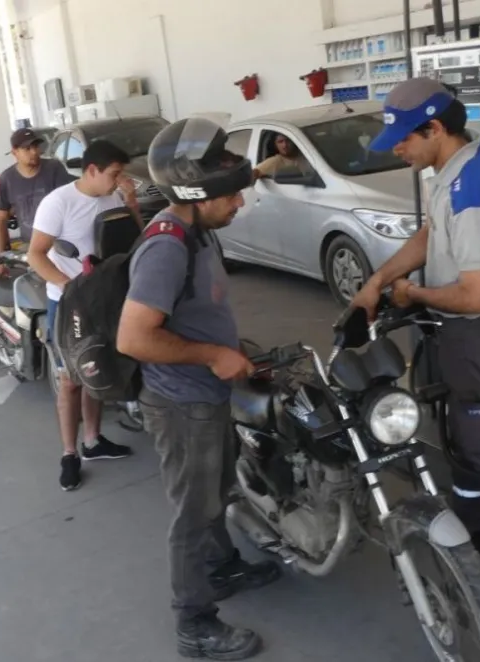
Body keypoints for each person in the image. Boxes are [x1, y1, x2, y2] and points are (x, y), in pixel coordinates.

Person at [349, 77, 480, 598]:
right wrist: (380, 280)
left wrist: (414, 294)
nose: (401, 152)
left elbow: (475, 295)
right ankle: (472, 539)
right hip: (459, 336)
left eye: (406, 141)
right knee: (462, 443)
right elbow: (430, 234)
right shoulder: (461, 164)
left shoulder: (469, 191)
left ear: (435, 128)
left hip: (479, 334)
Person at [116, 117, 281, 661]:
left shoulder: (199, 224)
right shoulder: (167, 246)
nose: (239, 202)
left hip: (209, 391)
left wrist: (273, 161)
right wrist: (214, 354)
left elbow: (242, 179)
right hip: (181, 400)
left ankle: (223, 567)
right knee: (193, 510)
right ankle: (194, 623)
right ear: (196, 193)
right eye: (230, 195)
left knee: (218, 491)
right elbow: (134, 337)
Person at [27, 140, 139, 491]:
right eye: (115, 173)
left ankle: (93, 440)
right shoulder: (58, 202)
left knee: (97, 367)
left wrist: (131, 201)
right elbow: (36, 255)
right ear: (92, 170)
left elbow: (134, 236)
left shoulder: (113, 197)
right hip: (71, 302)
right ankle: (69, 453)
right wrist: (69, 285)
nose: (119, 179)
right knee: (71, 380)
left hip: (106, 299)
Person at [0, 128, 75, 279]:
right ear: (14, 152)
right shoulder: (6, 179)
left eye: (35, 147)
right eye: (27, 148)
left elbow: (70, 203)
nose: (34, 152)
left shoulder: (54, 168)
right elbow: (1, 219)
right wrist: (1, 259)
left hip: (62, 245)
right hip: (31, 247)